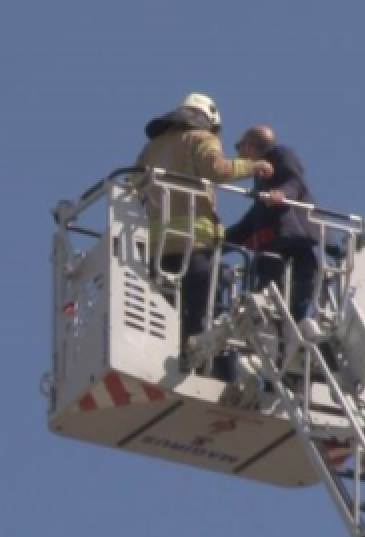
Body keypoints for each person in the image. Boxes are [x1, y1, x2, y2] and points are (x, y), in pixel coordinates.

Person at [133, 93, 273, 379]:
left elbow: (133, 185)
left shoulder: (151, 149)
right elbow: (217, 170)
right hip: (194, 247)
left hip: (157, 250)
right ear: (208, 118)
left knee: (168, 313)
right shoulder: (201, 138)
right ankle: (208, 370)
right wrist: (254, 167)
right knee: (207, 315)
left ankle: (172, 359)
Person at [225, 125, 320, 322]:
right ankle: (282, 323)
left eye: (238, 147)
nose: (239, 154)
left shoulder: (280, 155)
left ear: (249, 146)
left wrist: (283, 194)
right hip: (274, 245)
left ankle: (292, 320)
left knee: (302, 278)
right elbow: (251, 221)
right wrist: (217, 241)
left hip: (292, 239)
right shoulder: (261, 182)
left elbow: (295, 181)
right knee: (269, 287)